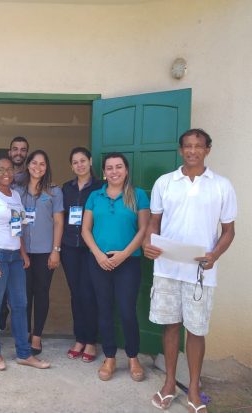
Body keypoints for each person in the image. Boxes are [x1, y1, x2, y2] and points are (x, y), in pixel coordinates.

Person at [143, 129, 236, 412]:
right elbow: (154, 222)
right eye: (187, 146)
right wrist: (148, 242)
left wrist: (215, 255)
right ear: (180, 150)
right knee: (170, 326)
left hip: (200, 271)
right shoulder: (165, 182)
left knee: (196, 330)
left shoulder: (221, 185)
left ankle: (194, 387)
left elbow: (229, 231)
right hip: (167, 268)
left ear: (207, 149)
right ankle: (170, 383)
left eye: (198, 146)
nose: (192, 150)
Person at [0, 157, 50, 370]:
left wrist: (23, 253)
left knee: (20, 304)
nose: (6, 173)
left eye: (9, 169)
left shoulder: (15, 196)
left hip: (15, 257)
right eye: (1, 169)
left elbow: (18, 228)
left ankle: (24, 354)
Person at [81, 152, 150, 382]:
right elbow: (85, 230)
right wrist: (99, 255)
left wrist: (124, 255)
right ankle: (109, 357)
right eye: (109, 168)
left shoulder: (138, 195)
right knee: (104, 310)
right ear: (104, 172)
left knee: (127, 310)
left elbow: (143, 229)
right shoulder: (95, 196)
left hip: (128, 262)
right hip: (99, 261)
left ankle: (133, 357)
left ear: (126, 170)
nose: (114, 171)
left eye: (119, 167)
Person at [14, 150, 63, 355]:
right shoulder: (17, 191)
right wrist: (20, 250)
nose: (38, 167)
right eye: (34, 163)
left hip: (45, 252)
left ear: (46, 167)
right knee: (23, 294)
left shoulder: (54, 192)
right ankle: (24, 332)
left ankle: (36, 336)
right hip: (22, 251)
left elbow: (58, 222)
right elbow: (15, 222)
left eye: (42, 164)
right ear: (28, 165)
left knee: (41, 292)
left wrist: (56, 250)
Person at [60, 147, 103, 362]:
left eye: (83, 160)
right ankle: (80, 338)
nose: (80, 165)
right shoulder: (66, 188)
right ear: (71, 166)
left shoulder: (100, 187)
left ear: (90, 161)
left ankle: (91, 341)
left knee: (89, 294)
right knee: (75, 294)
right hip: (69, 247)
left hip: (91, 248)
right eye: (75, 162)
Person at [0, 136, 30, 329]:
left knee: (21, 288)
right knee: (0, 285)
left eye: (23, 149)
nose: (19, 153)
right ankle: (1, 318)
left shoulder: (32, 175)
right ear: (9, 152)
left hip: (26, 238)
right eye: (15, 149)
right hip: (3, 239)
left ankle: (23, 326)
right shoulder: (1, 176)